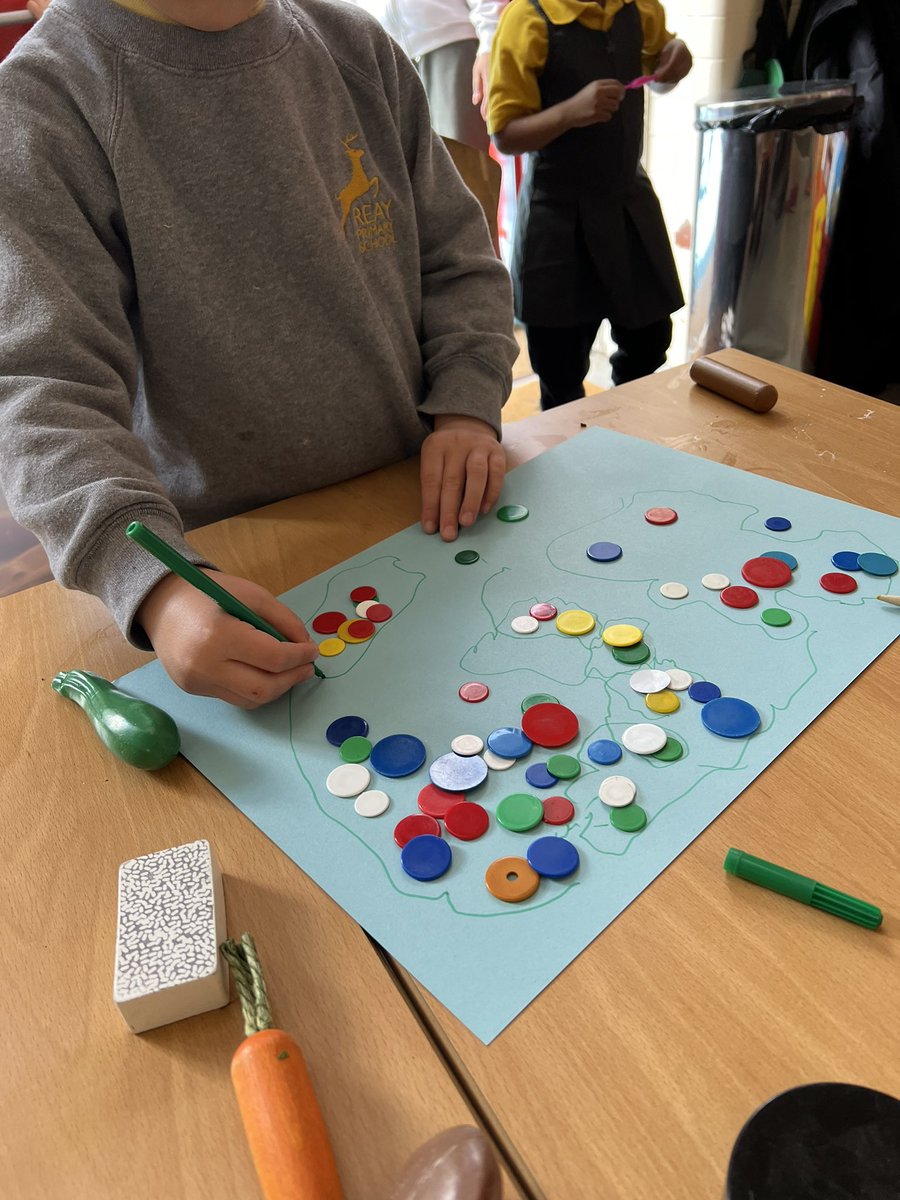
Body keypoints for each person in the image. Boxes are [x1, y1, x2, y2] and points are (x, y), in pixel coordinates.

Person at [0, 0, 517, 709]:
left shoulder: (357, 46)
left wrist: (467, 403)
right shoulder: (44, 101)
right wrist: (158, 586)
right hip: (222, 566)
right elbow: (44, 391)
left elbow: (458, 260)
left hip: (418, 510)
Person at [488, 0, 692, 408]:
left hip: (627, 204)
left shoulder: (639, 8)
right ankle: (570, 458)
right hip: (557, 215)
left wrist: (677, 57)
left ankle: (625, 436)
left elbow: (663, 65)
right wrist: (570, 112)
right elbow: (505, 135)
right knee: (560, 369)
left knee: (649, 342)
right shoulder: (528, 18)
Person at [351, 1, 507, 247]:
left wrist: (489, 41)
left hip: (450, 41)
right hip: (378, 52)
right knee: (399, 190)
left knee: (466, 179)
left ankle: (482, 279)